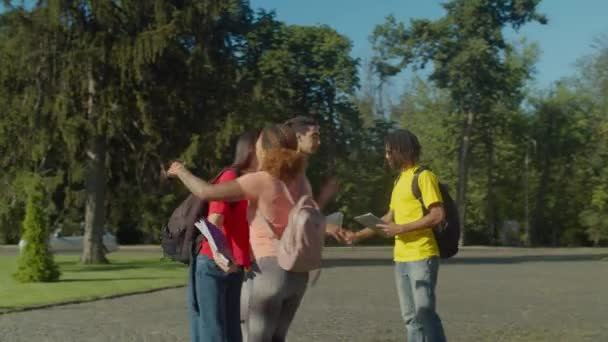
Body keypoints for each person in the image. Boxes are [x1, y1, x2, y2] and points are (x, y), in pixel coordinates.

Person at [168, 124, 345, 342]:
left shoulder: (260, 180)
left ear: (266, 149)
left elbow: (206, 192)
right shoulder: (301, 182)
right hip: (298, 274)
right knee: (277, 338)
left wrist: (181, 171)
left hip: (270, 271)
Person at [347, 129, 448, 342]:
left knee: (425, 314)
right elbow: (388, 218)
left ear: (401, 150)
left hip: (422, 255)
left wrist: (402, 229)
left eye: (388, 152)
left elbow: (437, 215)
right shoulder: (399, 181)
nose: (386, 156)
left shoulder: (424, 177)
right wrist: (357, 236)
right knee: (410, 318)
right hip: (401, 259)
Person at [186, 130, 259, 342]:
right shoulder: (230, 177)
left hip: (234, 266)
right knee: (214, 331)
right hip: (213, 263)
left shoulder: (252, 183)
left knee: (232, 331)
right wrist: (219, 252)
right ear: (253, 149)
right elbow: (215, 218)